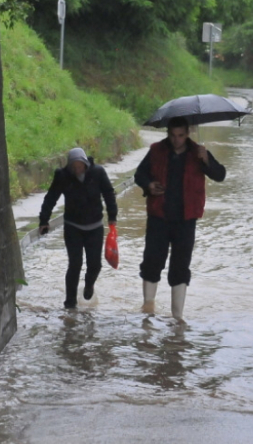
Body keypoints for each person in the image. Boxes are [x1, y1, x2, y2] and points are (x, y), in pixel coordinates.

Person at [134, 116, 226, 320]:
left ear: (188, 133)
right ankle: (148, 308)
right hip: (159, 216)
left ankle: (177, 318)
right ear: (168, 134)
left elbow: (220, 175)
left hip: (186, 219)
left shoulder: (198, 153)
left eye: (181, 136)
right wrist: (148, 185)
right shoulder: (156, 150)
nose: (177, 140)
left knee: (180, 266)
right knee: (151, 262)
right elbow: (139, 174)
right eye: (173, 136)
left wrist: (207, 160)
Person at [39, 147, 118, 309]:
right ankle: (70, 302)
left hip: (95, 226)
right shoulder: (63, 176)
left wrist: (112, 217)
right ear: (69, 167)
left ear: (85, 164)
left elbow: (109, 194)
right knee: (75, 264)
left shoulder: (98, 173)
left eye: (80, 166)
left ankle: (89, 285)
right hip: (73, 227)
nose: (77, 170)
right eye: (73, 167)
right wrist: (44, 220)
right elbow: (51, 197)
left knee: (95, 265)